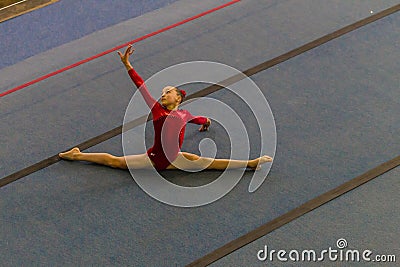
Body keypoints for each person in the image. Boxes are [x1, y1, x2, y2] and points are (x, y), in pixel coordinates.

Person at [59, 45, 272, 171]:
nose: (163, 94)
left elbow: (195, 119)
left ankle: (250, 163)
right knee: (115, 162)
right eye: (162, 93)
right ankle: (77, 155)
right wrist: (128, 66)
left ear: (178, 97)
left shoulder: (183, 113)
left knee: (208, 164)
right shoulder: (157, 111)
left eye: (168, 92)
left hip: (174, 159)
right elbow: (141, 86)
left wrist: (206, 122)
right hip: (153, 160)